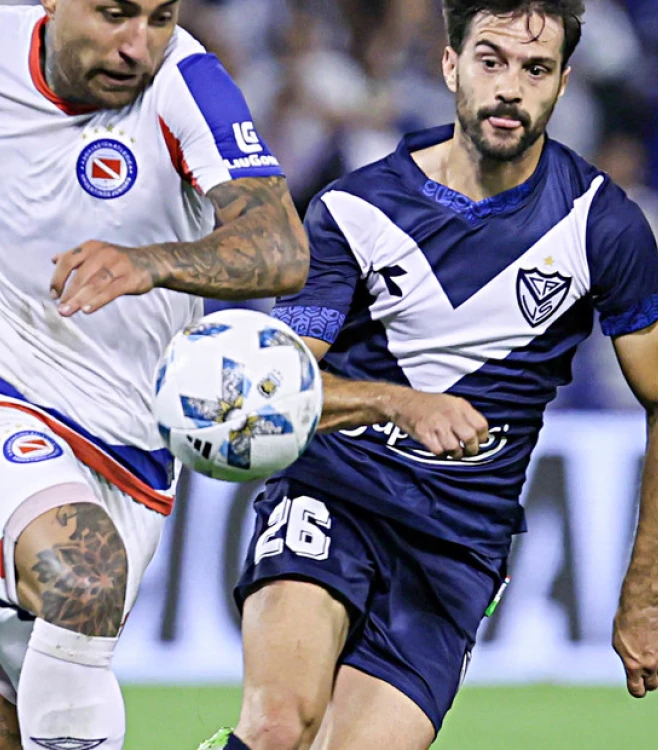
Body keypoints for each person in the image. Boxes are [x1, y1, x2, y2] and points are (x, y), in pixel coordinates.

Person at [200, 1, 658, 748]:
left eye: (535, 69)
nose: (510, 87)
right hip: (333, 494)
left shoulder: (600, 225)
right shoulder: (355, 208)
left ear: (564, 83)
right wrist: (397, 403)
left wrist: (645, 592)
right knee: (280, 727)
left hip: (456, 546)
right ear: (451, 65)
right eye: (491, 61)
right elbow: (272, 389)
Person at [0, 0, 308, 746]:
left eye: (159, 18)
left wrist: (149, 265)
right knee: (83, 577)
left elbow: (282, 247)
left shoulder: (186, 82)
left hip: (132, 461)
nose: (137, 46)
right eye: (116, 14)